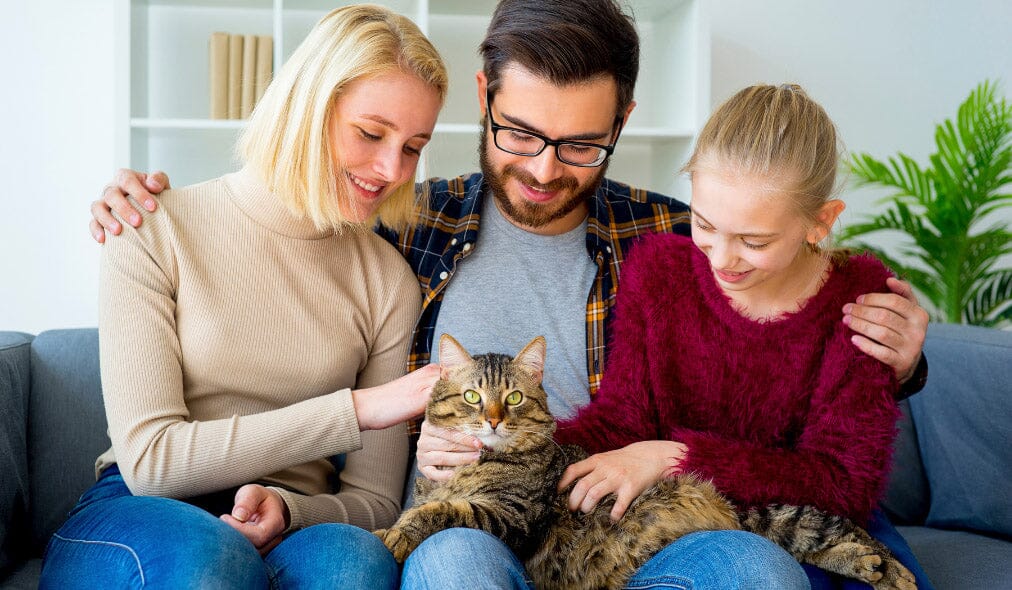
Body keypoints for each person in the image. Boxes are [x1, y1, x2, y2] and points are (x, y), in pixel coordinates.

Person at [88, 1, 930, 587]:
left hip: (614, 527)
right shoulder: (406, 226)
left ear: (625, 123)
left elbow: (784, 269)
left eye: (580, 145)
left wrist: (899, 347)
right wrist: (143, 202)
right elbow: (289, 226)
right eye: (520, 132)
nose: (542, 167)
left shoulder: (680, 240)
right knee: (450, 565)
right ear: (486, 96)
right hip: (465, 526)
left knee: (753, 570)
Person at [41, 5, 447, 589]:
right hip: (142, 506)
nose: (390, 168)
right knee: (211, 561)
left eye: (412, 146)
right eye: (370, 132)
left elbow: (375, 502)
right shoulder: (153, 227)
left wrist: (293, 509)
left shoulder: (386, 281)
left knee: (354, 566)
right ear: (307, 107)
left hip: (297, 521)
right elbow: (152, 461)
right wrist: (357, 410)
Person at [554, 83, 933, 589]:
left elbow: (842, 483)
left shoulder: (859, 301)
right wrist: (516, 452)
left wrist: (674, 457)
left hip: (817, 537)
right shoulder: (660, 271)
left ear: (821, 223)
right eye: (705, 224)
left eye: (754, 242)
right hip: (690, 527)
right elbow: (624, 421)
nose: (722, 259)